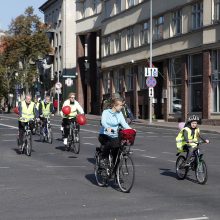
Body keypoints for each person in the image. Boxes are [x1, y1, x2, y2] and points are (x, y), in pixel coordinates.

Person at [98, 98, 132, 164]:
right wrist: (107, 127)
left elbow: (124, 124)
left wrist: (131, 129)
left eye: (122, 105)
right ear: (115, 105)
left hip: (114, 135)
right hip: (104, 134)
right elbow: (103, 122)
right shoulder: (106, 112)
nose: (122, 107)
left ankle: (114, 168)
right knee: (108, 143)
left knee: (117, 148)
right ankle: (104, 158)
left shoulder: (119, 114)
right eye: (120, 105)